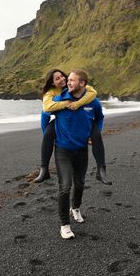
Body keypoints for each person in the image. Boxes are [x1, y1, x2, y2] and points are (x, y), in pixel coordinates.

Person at [51, 70, 104, 239]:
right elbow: (45, 114)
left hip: (82, 149)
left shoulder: (93, 103)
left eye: (72, 80)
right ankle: (64, 225)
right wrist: (48, 135)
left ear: (82, 83)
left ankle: (76, 208)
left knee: (80, 183)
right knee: (65, 186)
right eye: (68, 80)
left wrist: (94, 134)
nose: (68, 82)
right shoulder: (60, 99)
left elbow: (99, 118)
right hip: (62, 150)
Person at [34, 69, 111, 185]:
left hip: (79, 118)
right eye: (57, 78)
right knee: (48, 132)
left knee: (96, 132)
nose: (63, 79)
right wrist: (47, 133)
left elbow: (92, 92)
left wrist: (77, 104)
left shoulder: (75, 86)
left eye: (63, 77)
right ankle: (44, 169)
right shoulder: (51, 93)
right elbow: (45, 111)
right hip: (61, 118)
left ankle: (101, 169)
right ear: (52, 83)